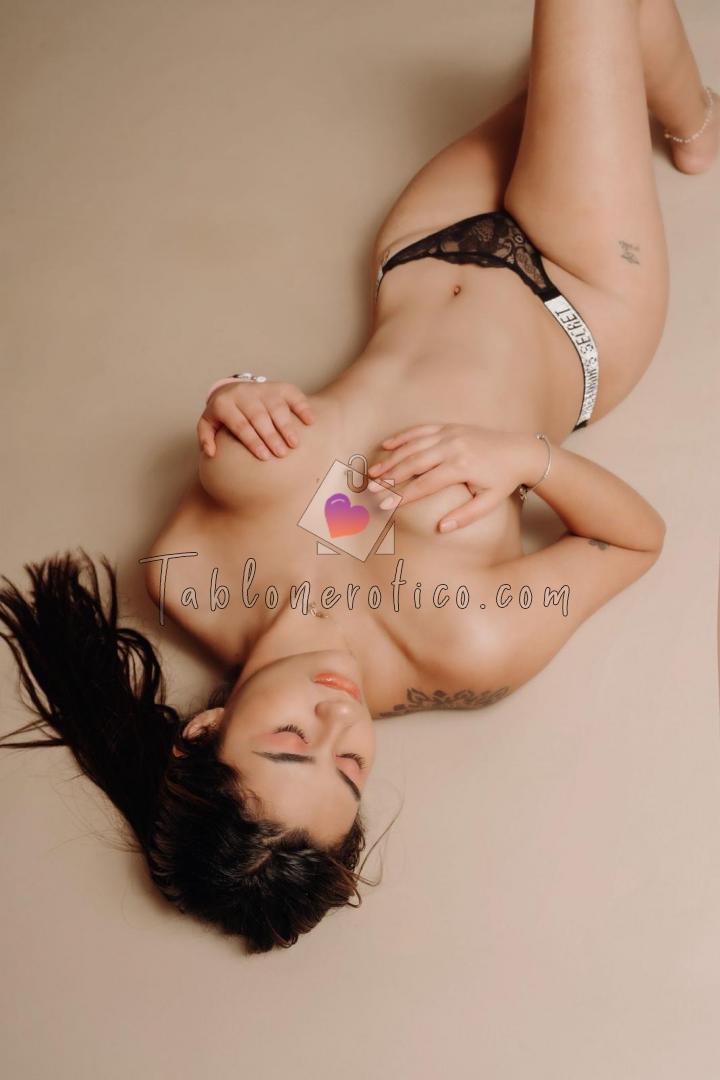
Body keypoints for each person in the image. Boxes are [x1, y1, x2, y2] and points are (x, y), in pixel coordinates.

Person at [1, 0, 716, 954]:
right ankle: (695, 124)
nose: (338, 718)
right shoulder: (463, 645)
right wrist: (527, 460)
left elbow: (282, 446)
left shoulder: (189, 576)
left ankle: (687, 117)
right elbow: (636, 542)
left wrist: (232, 397)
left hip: (423, 247)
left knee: (586, 52)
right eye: (349, 768)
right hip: (577, 296)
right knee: (591, 14)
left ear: (203, 731)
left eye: (292, 742)